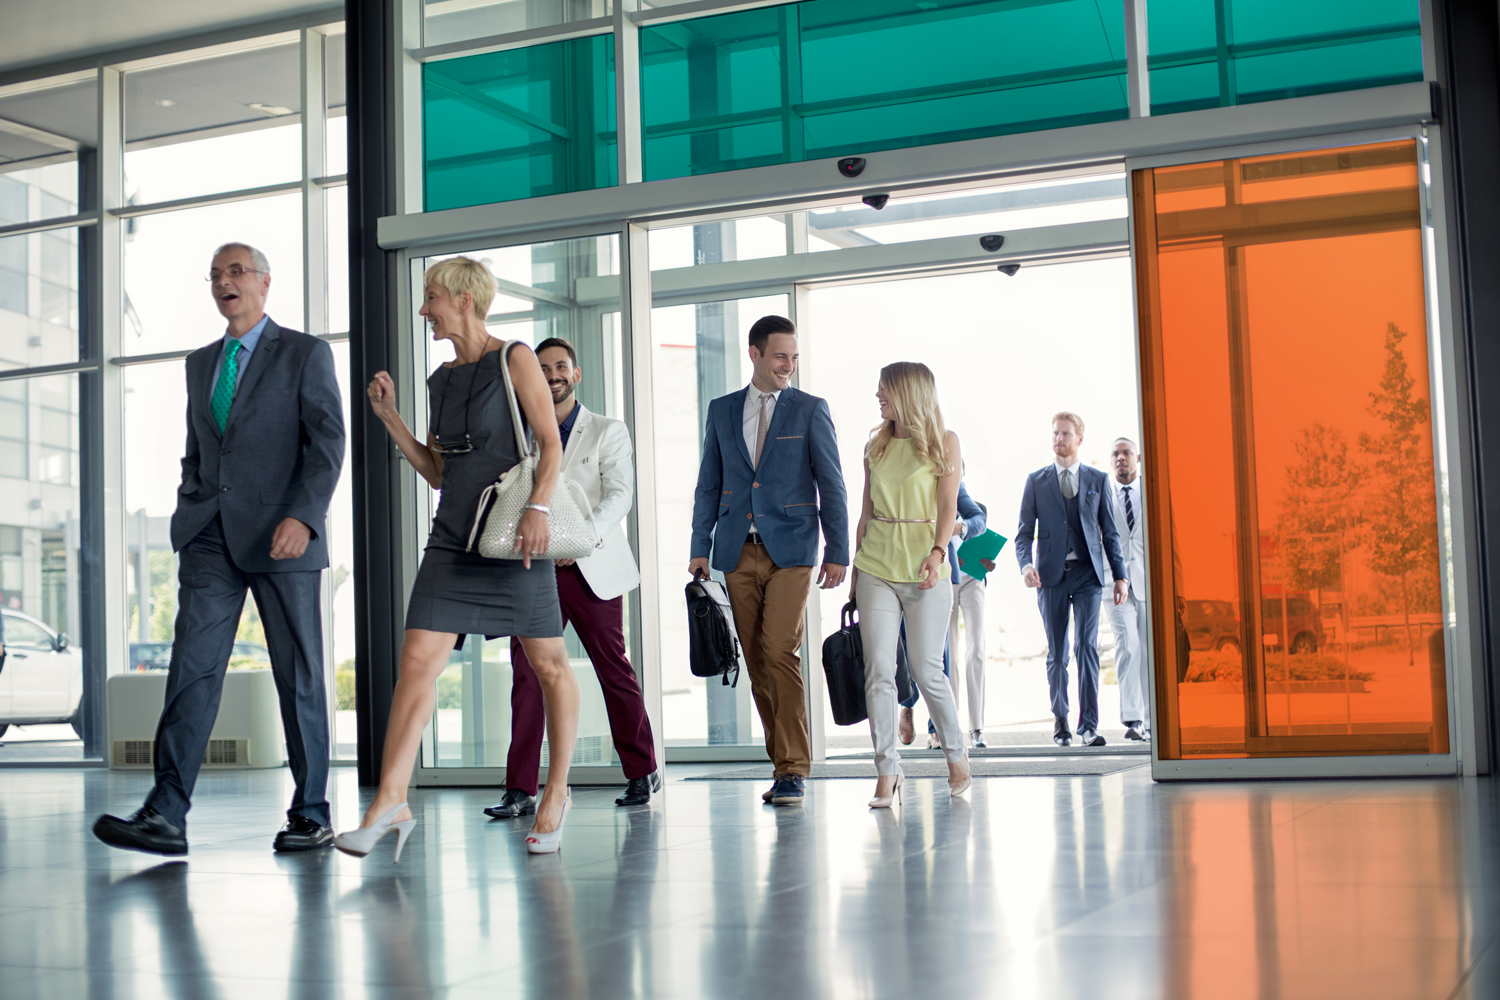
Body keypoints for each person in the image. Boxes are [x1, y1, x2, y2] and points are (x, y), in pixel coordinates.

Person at [93, 243, 345, 856]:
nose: (223, 282)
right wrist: (189, 507)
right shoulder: (200, 362)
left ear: (264, 282)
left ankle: (310, 812)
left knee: (300, 677)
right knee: (191, 671)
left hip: (283, 537)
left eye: (235, 272)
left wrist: (304, 519)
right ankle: (166, 812)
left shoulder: (305, 353)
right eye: (214, 275)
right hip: (210, 535)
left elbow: (329, 443)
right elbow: (197, 449)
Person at [338, 256, 579, 859]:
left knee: (549, 664)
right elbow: (441, 470)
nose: (426, 310)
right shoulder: (440, 381)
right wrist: (390, 417)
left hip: (516, 534)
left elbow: (550, 445)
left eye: (432, 298)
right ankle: (390, 800)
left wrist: (539, 510)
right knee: (417, 658)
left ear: (465, 300)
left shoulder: (515, 358)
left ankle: (556, 792)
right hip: (454, 537)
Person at [484, 337, 660, 820]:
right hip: (534, 569)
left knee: (612, 668)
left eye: (561, 366)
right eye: (542, 368)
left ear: (576, 374)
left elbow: (619, 496)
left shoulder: (607, 430)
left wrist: (576, 540)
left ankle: (641, 770)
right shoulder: (520, 433)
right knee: (527, 674)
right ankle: (519, 789)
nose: (552, 374)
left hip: (590, 567)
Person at [689, 315, 848, 807]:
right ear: (755, 354)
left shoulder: (809, 410)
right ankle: (781, 764)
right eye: (781, 356)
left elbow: (832, 483)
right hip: (736, 550)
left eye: (794, 357)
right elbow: (709, 483)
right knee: (757, 659)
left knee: (781, 648)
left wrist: (838, 550)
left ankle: (793, 768)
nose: (789, 365)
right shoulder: (721, 411)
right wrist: (699, 544)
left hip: (793, 550)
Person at [854, 362, 971, 808]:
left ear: (907, 392)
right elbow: (864, 511)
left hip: (926, 568)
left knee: (927, 671)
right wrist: (855, 571)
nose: (878, 397)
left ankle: (955, 754)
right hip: (876, 567)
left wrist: (938, 552)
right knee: (879, 671)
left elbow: (947, 505)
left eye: (884, 390)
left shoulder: (945, 442)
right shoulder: (875, 445)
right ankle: (886, 770)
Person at [1016, 411, 1129, 748]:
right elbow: (1023, 534)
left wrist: (1120, 577)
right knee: (1057, 653)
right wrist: (1025, 566)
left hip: (1087, 576)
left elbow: (1109, 533)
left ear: (1079, 439)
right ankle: (1061, 721)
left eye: (1065, 434)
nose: (1058, 439)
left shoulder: (1097, 479)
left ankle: (1089, 726)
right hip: (1050, 577)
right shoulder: (1036, 481)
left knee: (1087, 648)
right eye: (1055, 433)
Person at [897, 482, 985, 749]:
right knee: (906, 646)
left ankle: (936, 727)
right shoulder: (901, 470)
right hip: (900, 567)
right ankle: (907, 705)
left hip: (940, 572)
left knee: (940, 653)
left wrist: (960, 528)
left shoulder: (952, 482)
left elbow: (978, 519)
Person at [1107, 437, 1151, 740]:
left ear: (1137, 458)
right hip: (1114, 583)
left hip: (1149, 582)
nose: (1121, 458)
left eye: (1126, 453)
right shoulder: (1103, 495)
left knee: (1148, 651)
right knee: (1128, 646)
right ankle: (1133, 719)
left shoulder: (1151, 492)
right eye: (1115, 454)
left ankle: (1153, 719)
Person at [950, 495, 991, 748]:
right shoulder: (931, 504)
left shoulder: (977, 510)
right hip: (946, 580)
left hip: (973, 579)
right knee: (949, 653)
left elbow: (985, 548)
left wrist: (988, 563)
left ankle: (977, 728)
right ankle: (950, 725)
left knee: (976, 649)